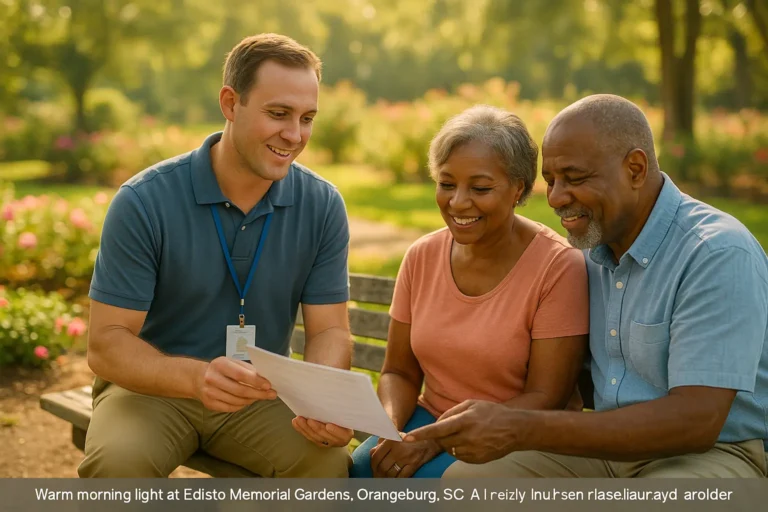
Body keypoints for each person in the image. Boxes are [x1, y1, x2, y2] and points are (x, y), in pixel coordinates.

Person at [405, 94, 768, 478]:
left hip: (717, 453)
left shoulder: (715, 252)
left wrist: (521, 427)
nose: (557, 198)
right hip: (608, 448)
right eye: (550, 181)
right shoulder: (590, 252)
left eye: (575, 179)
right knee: (469, 482)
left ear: (635, 169)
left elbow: (697, 420)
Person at [78, 34, 355, 478]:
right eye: (278, 114)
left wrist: (322, 401)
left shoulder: (322, 205)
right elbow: (106, 344)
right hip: (150, 391)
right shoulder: (143, 201)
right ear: (230, 102)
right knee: (119, 466)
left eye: (307, 118)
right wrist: (195, 378)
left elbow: (330, 332)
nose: (294, 134)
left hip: (258, 397)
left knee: (327, 466)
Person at [349, 105, 590, 478]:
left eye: (480, 188)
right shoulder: (422, 256)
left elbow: (547, 398)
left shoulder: (557, 267)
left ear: (519, 190)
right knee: (356, 472)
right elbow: (398, 370)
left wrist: (437, 441)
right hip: (427, 420)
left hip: (513, 435)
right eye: (446, 184)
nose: (458, 202)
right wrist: (391, 428)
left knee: (434, 486)